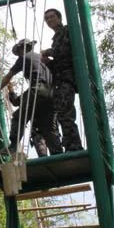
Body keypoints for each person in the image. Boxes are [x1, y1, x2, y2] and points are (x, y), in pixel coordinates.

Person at [0, 38, 61, 156]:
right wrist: (11, 91)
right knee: (49, 129)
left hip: (38, 91)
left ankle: (13, 146)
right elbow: (18, 102)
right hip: (52, 95)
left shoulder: (24, 58)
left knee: (18, 116)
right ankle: (58, 153)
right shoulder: (42, 59)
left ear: (22, 48)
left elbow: (8, 77)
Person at [41, 9, 82, 152]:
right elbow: (59, 62)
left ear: (59, 18)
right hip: (61, 78)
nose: (50, 20)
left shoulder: (67, 31)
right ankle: (70, 143)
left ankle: (74, 145)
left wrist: (48, 52)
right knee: (62, 112)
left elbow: (65, 52)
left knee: (65, 111)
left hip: (68, 78)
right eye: (47, 19)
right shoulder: (56, 38)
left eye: (52, 17)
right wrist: (48, 63)